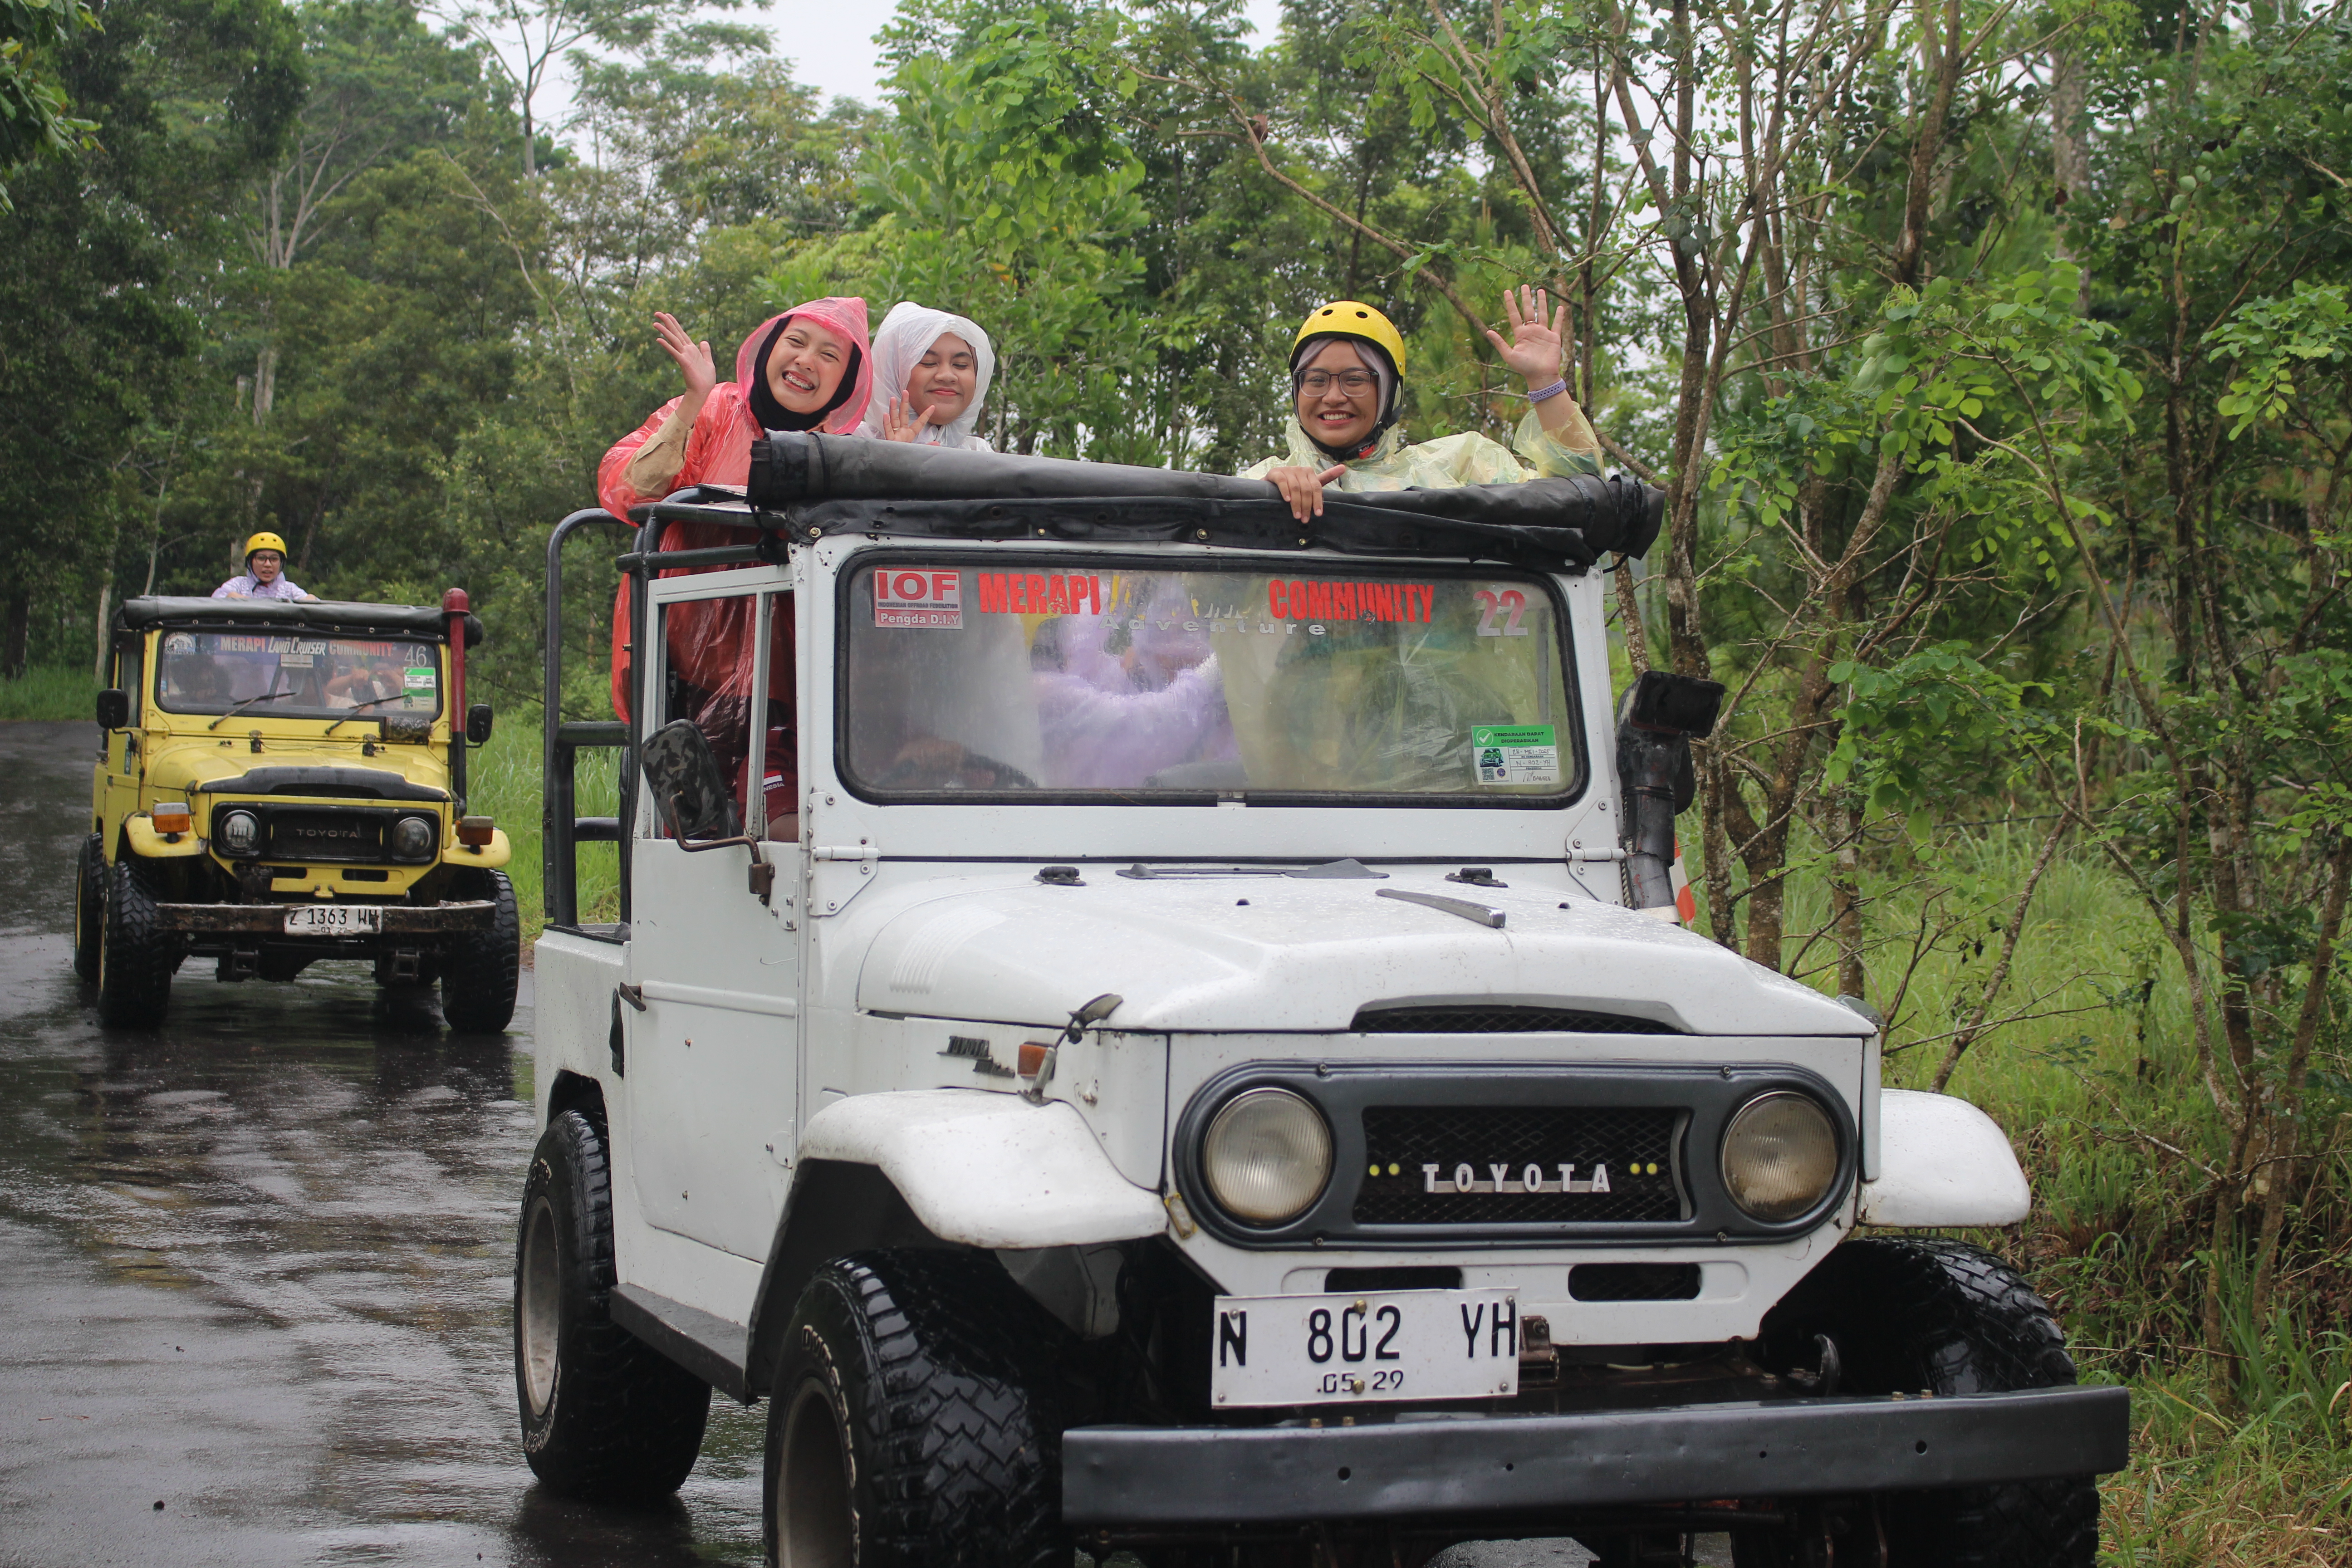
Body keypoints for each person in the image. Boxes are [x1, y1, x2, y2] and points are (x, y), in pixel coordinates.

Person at [599, 298, 876, 833]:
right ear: (769, 349)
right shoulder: (715, 409)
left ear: (844, 383)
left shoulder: (839, 453)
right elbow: (630, 490)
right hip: (679, 664)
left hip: (789, 679)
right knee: (682, 823)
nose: (807, 361)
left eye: (830, 356)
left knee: (763, 822)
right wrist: (692, 401)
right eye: (796, 342)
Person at [1244, 289, 1604, 521]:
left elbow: (1581, 504)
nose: (1334, 396)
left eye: (1355, 379)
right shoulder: (1262, 482)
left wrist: (1544, 383)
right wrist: (1267, 499)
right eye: (1316, 380)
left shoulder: (1460, 465)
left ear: (1391, 394)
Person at [855, 302, 996, 450]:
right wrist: (894, 458)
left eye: (960, 365)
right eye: (929, 363)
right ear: (894, 373)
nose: (947, 376)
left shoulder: (980, 454)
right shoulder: (853, 446)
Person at [212, 532, 318, 601]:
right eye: (261, 558)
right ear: (250, 562)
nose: (268, 564)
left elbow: (312, 605)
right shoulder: (239, 584)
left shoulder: (289, 589)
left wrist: (311, 600)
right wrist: (233, 598)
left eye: (274, 559)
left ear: (281, 563)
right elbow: (217, 599)